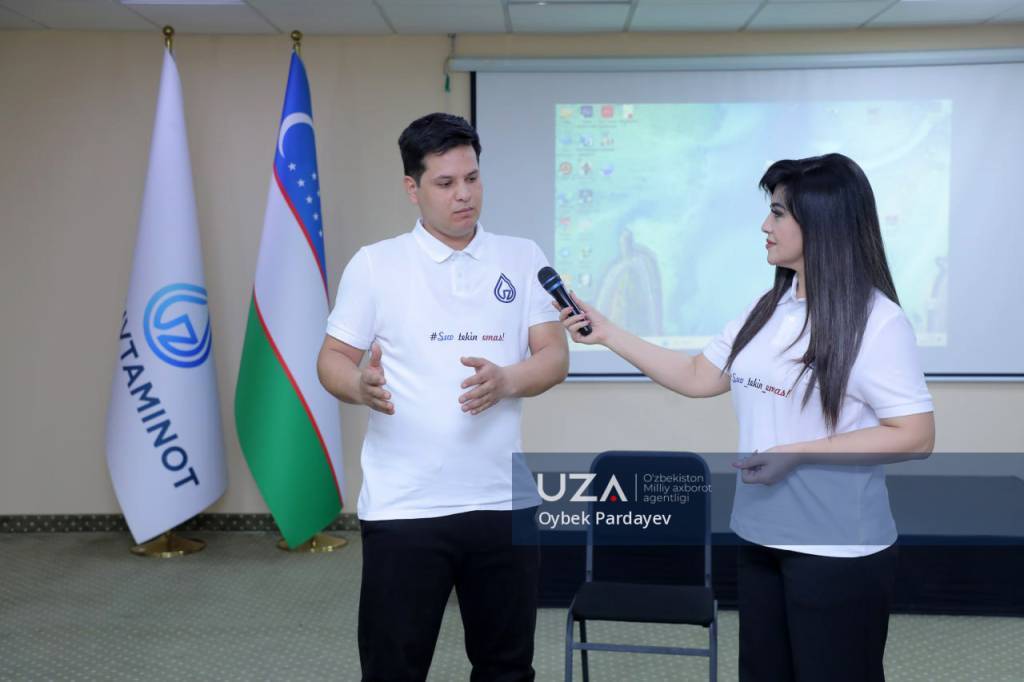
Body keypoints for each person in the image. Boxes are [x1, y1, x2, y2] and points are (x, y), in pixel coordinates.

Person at [557, 153, 935, 682]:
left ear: (822, 222)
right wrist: (608, 332)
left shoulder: (878, 322)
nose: (764, 225)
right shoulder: (769, 307)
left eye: (778, 213)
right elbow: (697, 375)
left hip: (838, 551)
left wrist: (796, 454)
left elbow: (915, 436)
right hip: (760, 539)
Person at [317, 112, 568, 682]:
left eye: (472, 178)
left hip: (502, 503)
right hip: (405, 507)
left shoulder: (523, 257)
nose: (464, 195)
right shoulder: (376, 264)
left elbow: (554, 356)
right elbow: (330, 360)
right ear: (413, 188)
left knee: (507, 669)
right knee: (393, 669)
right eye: (446, 183)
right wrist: (357, 386)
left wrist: (507, 380)